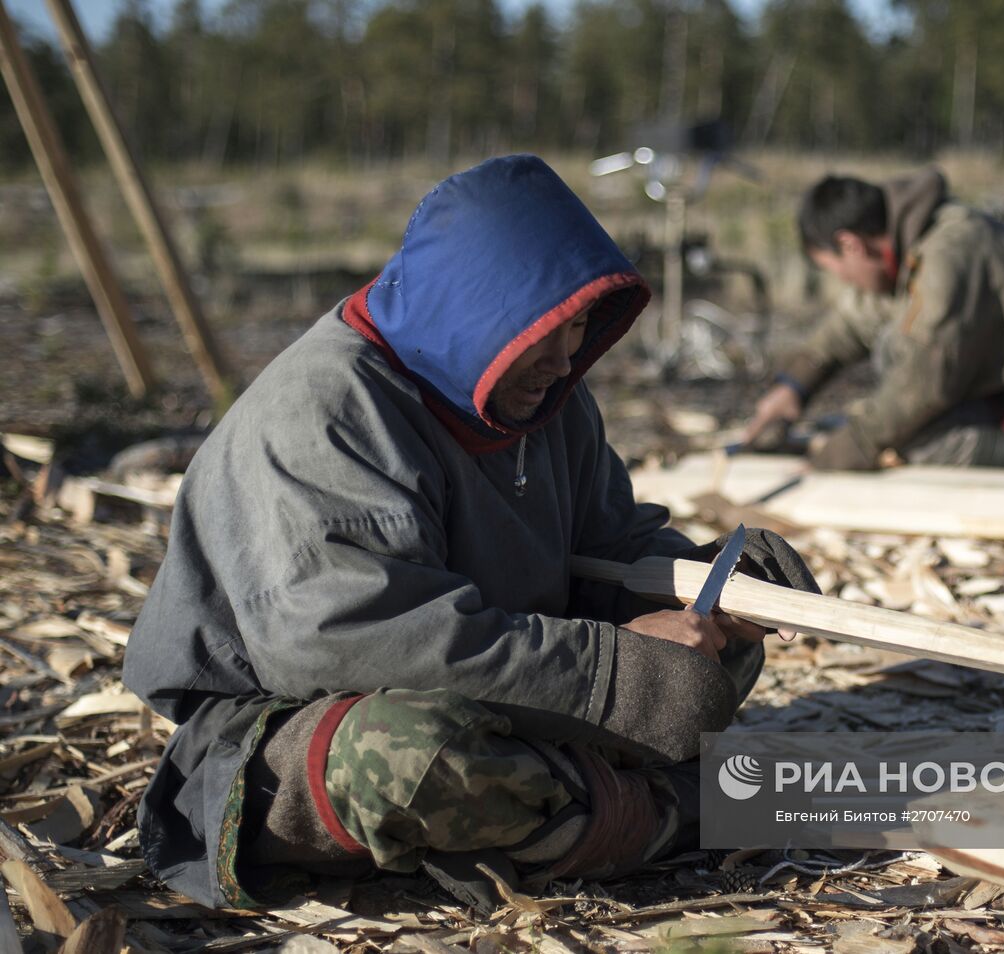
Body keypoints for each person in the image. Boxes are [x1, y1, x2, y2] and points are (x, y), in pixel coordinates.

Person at [123, 155, 816, 912]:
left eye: (579, 324)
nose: (564, 358)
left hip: (509, 686)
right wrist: (611, 674)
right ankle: (670, 810)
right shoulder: (326, 413)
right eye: (543, 330)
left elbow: (612, 546)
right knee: (416, 757)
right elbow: (348, 641)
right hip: (292, 726)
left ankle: (578, 810)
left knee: (708, 655)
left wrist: (715, 583)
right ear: (470, 311)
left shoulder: (549, 399)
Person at [743, 169, 1004, 473]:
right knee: (888, 405)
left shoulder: (950, 252)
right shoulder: (902, 247)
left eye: (832, 267)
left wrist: (834, 457)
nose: (840, 281)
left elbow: (923, 385)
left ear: (851, 244)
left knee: (921, 437)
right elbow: (851, 324)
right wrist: (793, 388)